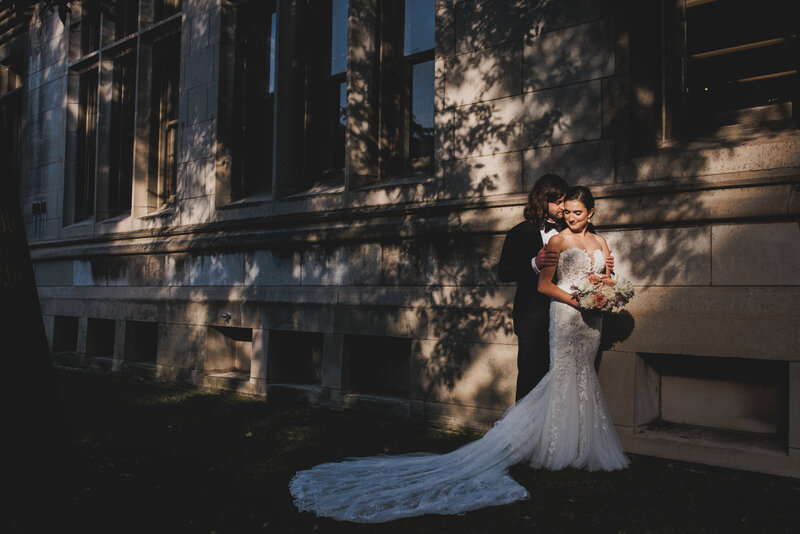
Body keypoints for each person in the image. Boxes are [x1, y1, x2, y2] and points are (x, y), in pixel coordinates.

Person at [289, 185, 628, 523]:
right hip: (568, 317)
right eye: (566, 211)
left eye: (576, 212)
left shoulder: (599, 241)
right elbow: (543, 284)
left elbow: (606, 278)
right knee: (562, 375)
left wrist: (607, 291)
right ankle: (552, 444)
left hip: (591, 322)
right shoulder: (555, 241)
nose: (569, 217)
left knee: (583, 375)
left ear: (591, 213)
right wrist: (579, 300)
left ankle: (582, 444)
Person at [498, 174, 613, 400]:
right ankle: (525, 433)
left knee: (567, 382)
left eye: (565, 202)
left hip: (572, 320)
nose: (563, 208)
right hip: (534, 318)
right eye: (558, 202)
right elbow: (504, 272)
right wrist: (534, 264)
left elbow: (594, 263)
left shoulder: (578, 228)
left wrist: (606, 265)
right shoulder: (519, 232)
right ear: (543, 201)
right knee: (531, 380)